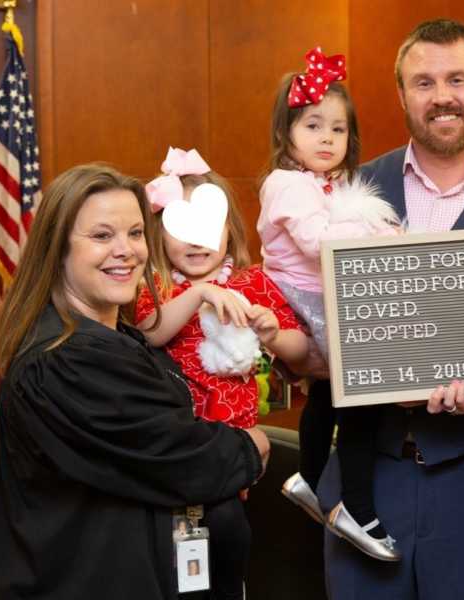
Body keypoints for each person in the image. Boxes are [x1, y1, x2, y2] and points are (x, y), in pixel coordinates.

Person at [315, 19, 464, 599]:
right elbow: (310, 316)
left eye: (456, 79)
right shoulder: (350, 188)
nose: (441, 97)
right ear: (402, 95)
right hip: (366, 474)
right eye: (424, 82)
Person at [0, 164, 270, 600]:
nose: (126, 251)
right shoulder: (66, 360)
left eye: (136, 234)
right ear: (56, 248)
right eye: (102, 236)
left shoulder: (121, 339)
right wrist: (249, 447)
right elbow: (174, 455)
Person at [134, 147, 309, 600]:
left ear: (229, 231)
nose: (195, 241)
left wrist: (272, 332)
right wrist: (199, 295)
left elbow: (300, 349)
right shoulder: (156, 286)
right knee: (169, 551)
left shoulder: (253, 283)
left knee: (229, 534)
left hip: (234, 447)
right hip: (175, 446)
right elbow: (150, 333)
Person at [258, 47, 402, 561]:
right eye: (313, 125)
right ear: (287, 133)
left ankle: (311, 478)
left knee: (325, 394)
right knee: (365, 396)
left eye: (337, 130)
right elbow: (321, 244)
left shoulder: (333, 184)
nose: (326, 138)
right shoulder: (288, 184)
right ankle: (357, 511)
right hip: (304, 301)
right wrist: (368, 230)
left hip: (327, 297)